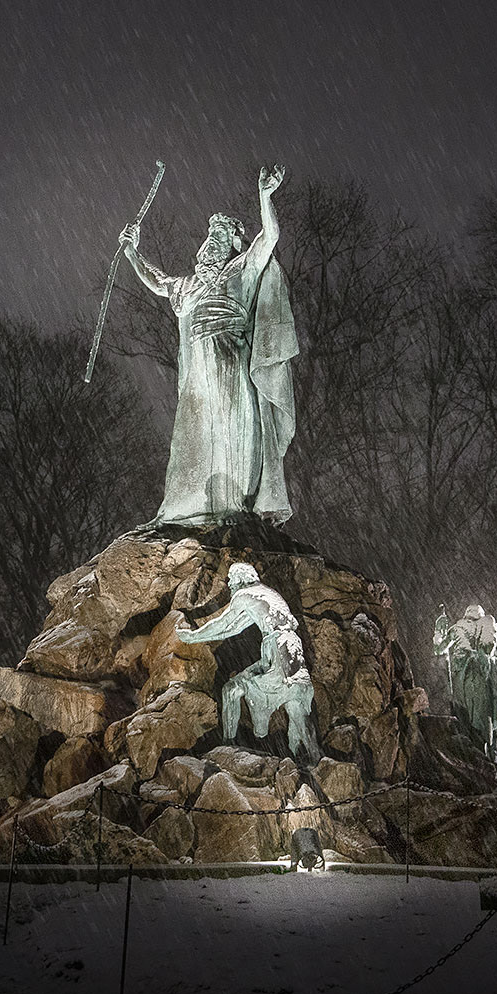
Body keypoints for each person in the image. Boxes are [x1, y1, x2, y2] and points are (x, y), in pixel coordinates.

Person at [118, 164, 299, 526]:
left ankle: (237, 505)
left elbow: (269, 237)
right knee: (197, 435)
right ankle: (199, 505)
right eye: (209, 235)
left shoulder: (242, 271)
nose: (211, 241)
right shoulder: (188, 287)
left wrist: (265, 197)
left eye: (220, 235)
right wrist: (132, 252)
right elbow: (159, 281)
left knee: (236, 430)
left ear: (233, 243)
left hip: (232, 359)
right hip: (199, 370)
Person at [176, 562, 319, 761]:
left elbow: (223, 623)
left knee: (231, 689)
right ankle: (316, 758)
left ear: (238, 579)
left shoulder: (244, 594)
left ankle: (228, 745)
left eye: (230, 579)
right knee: (295, 702)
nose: (229, 584)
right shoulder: (264, 593)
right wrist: (198, 637)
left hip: (277, 648)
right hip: (291, 646)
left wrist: (192, 636)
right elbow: (234, 628)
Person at [431, 603, 497, 764]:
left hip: (463, 683)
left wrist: (439, 629)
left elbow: (438, 649)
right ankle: (492, 763)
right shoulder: (489, 628)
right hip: (485, 682)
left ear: (466, 615)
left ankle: (471, 761)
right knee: (489, 723)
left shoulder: (457, 628)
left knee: (465, 721)